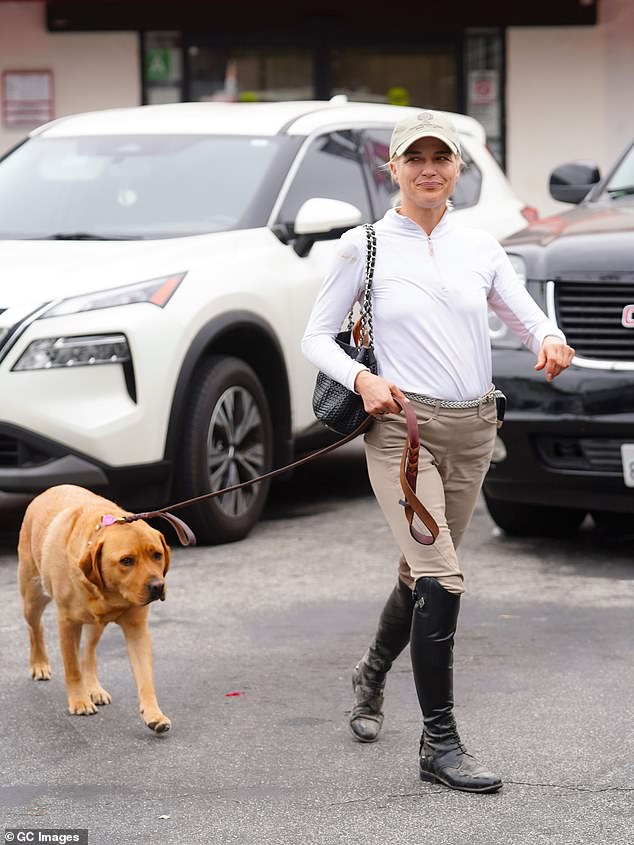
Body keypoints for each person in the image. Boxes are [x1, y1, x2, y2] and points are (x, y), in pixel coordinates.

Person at [301, 110, 575, 794]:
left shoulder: (480, 245)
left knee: (420, 572)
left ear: (458, 168)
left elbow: (523, 312)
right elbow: (316, 337)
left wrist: (551, 338)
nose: (429, 168)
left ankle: (370, 670)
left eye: (441, 158)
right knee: (442, 578)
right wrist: (361, 377)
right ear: (390, 169)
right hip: (402, 433)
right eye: (414, 158)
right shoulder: (360, 247)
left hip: (475, 428)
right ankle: (440, 743)